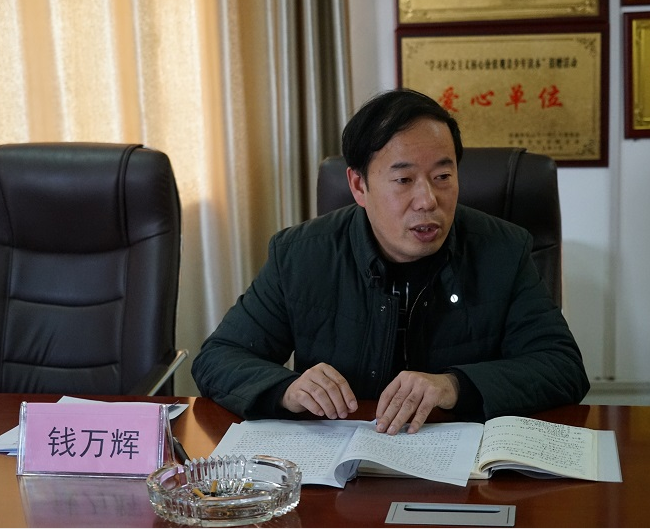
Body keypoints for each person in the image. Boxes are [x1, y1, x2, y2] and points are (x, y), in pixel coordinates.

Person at [192, 88, 590, 435]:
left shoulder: (502, 250)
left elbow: (562, 367)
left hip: (460, 467)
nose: (427, 200)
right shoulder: (301, 255)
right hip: (342, 472)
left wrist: (455, 385)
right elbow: (218, 358)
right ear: (358, 185)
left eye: (443, 177)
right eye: (403, 180)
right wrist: (286, 389)